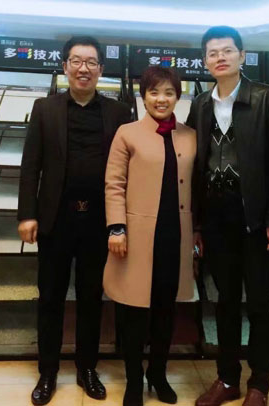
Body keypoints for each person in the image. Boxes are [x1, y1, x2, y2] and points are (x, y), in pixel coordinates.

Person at [17, 35, 131, 405]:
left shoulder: (119, 112)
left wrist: (123, 222)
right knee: (50, 297)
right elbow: (30, 166)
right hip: (55, 221)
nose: (84, 69)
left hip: (99, 222)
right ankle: (48, 372)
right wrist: (27, 214)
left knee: (91, 298)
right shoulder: (45, 109)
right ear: (65, 66)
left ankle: (86, 369)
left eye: (91, 62)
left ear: (101, 69)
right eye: (77, 61)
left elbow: (128, 170)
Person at [187, 26, 269, 406]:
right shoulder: (200, 105)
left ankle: (259, 383)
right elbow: (196, 167)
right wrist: (197, 224)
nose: (220, 57)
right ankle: (227, 379)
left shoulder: (266, 98)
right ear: (204, 61)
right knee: (225, 302)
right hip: (217, 221)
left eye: (227, 51)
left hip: (257, 221)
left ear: (242, 56)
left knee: (261, 303)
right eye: (213, 53)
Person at [104, 66, 196, 406]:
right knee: (133, 312)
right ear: (143, 97)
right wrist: (117, 227)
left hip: (176, 236)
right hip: (136, 237)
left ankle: (157, 374)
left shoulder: (190, 135)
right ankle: (133, 379)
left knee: (165, 311)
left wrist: (198, 231)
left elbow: (198, 188)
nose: (162, 99)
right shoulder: (127, 133)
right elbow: (114, 184)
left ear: (178, 97)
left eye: (169, 93)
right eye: (154, 92)